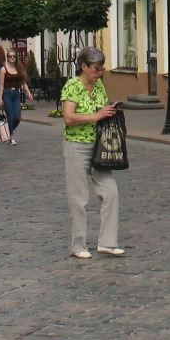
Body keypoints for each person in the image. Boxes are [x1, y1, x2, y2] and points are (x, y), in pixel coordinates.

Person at [60, 47, 124, 260]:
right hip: (76, 145)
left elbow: (101, 110)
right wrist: (96, 115)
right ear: (84, 66)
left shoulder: (99, 86)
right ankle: (78, 245)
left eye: (102, 68)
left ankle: (107, 242)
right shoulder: (72, 86)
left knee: (111, 191)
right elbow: (68, 118)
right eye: (97, 68)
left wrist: (109, 111)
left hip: (99, 146)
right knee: (79, 197)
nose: (100, 72)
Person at [0, 47, 32, 146]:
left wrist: (28, 92)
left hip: (16, 94)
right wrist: (0, 98)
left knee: (17, 117)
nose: (12, 58)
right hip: (7, 94)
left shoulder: (19, 69)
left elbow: (23, 82)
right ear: (7, 58)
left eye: (14, 56)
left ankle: (7, 130)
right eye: (10, 56)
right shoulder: (4, 69)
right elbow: (1, 85)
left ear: (16, 58)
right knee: (10, 116)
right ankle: (11, 136)